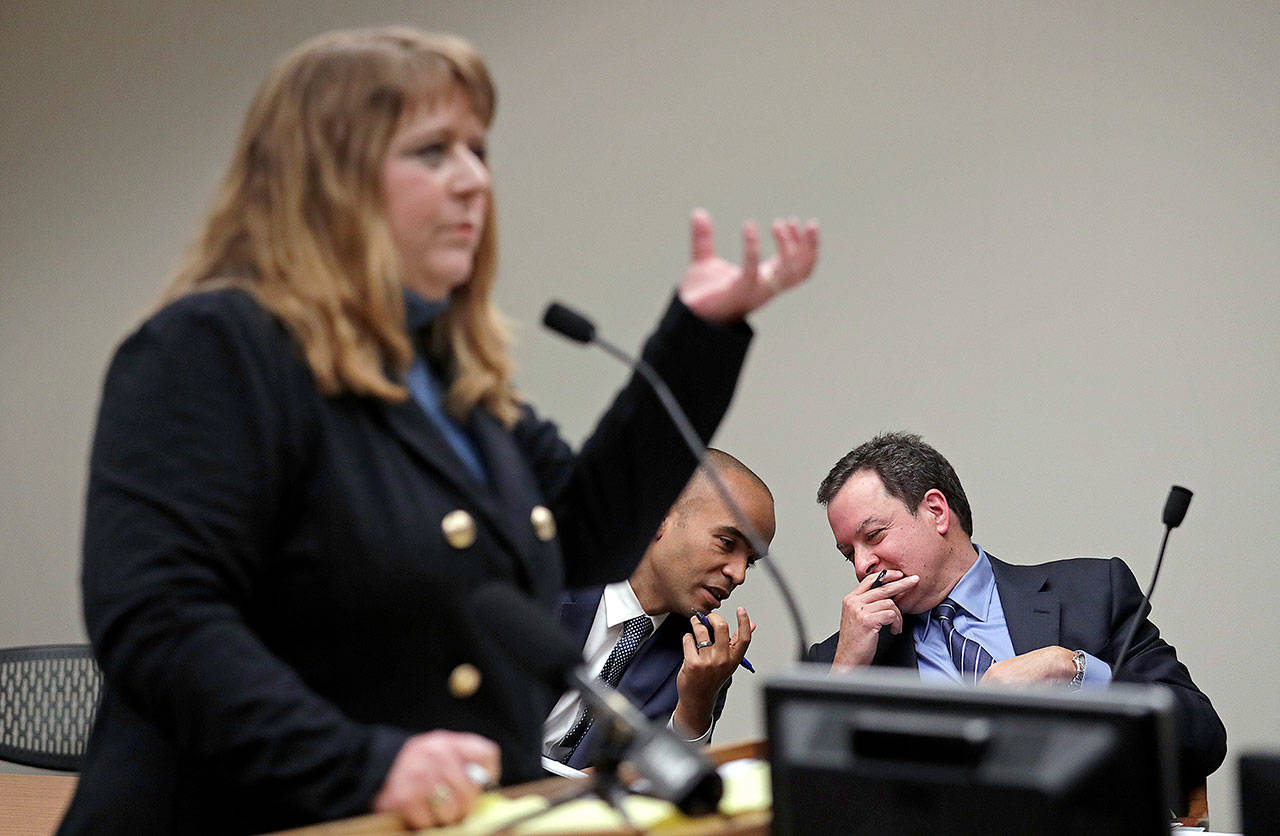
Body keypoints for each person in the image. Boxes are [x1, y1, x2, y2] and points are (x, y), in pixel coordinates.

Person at [59, 27, 819, 835]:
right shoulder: (213, 348)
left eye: (478, 152)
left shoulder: (458, 385)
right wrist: (366, 762)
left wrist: (698, 338)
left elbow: (589, 537)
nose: (472, 182)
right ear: (328, 178)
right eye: (432, 152)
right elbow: (160, 619)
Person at [806, 432, 1226, 799]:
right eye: (849, 553)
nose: (862, 566)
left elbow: (1203, 740)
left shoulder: (1091, 594)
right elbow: (810, 810)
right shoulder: (841, 659)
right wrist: (846, 675)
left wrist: (1074, 670)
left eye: (874, 536)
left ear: (936, 511)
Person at [543, 449, 775, 770]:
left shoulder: (703, 659)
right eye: (726, 543)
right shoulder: (549, 576)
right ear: (659, 517)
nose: (739, 574)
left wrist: (695, 703)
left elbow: (668, 785)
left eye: (750, 561)